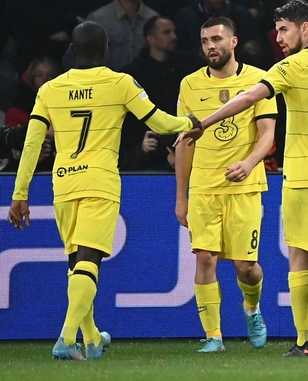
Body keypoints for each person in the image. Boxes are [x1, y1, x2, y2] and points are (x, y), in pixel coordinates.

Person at [176, 0, 308, 357]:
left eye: (284, 29)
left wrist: (203, 122)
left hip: (303, 177)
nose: (279, 37)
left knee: (300, 260)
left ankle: (303, 342)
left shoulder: (290, 67)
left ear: (305, 28)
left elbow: (250, 96)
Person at [7, 21, 201, 360]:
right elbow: (159, 122)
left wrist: (19, 194)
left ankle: (92, 338)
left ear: (72, 52)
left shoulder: (50, 89)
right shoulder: (120, 83)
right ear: (106, 50)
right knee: (89, 260)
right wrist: (190, 123)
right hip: (99, 181)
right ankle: (66, 339)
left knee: (77, 265)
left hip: (64, 183)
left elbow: (32, 143)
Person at [173, 17, 276, 353]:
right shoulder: (189, 85)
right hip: (204, 187)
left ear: (233, 42)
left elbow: (268, 134)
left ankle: (252, 308)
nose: (210, 46)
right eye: (205, 41)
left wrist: (249, 162)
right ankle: (213, 336)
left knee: (246, 268)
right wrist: (181, 195)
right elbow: (185, 142)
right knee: (204, 258)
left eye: (216, 39)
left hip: (244, 187)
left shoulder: (259, 80)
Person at [119, 16, 193, 171]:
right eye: (167, 32)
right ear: (151, 39)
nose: (174, 36)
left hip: (181, 150)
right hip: (142, 157)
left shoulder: (186, 72)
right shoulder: (131, 75)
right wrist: (139, 150)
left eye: (174, 31)